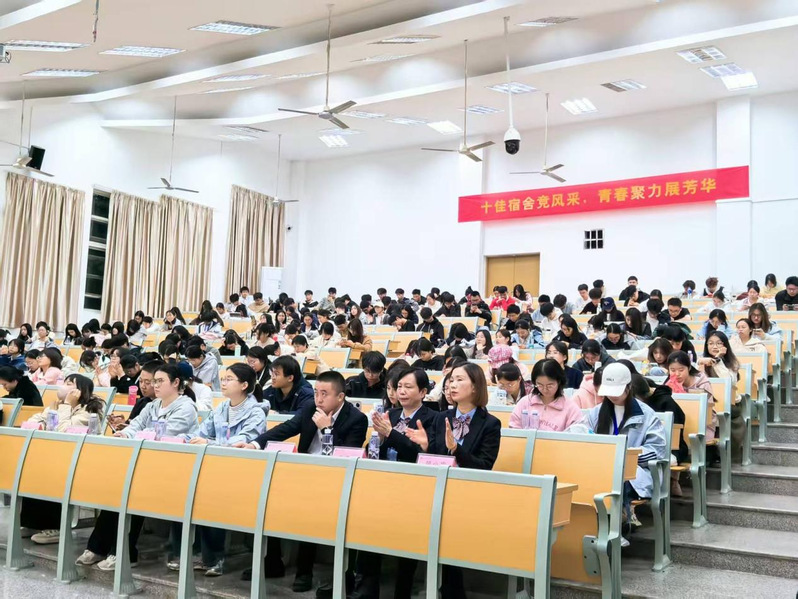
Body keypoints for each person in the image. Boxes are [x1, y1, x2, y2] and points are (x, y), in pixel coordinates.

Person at [237, 371, 368, 594]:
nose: (318, 399)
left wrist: (327, 429)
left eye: (325, 394)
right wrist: (255, 444)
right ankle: (272, 560)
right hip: (306, 473)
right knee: (269, 497)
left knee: (310, 510)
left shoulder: (356, 419)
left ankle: (304, 572)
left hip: (336, 480)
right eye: (316, 392)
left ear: (340, 397)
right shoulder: (309, 409)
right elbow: (286, 428)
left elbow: (347, 455)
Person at [405, 362, 500, 598]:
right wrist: (425, 446)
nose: (452, 385)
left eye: (459, 380)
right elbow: (434, 459)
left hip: (468, 495)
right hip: (436, 491)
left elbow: (484, 467)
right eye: (451, 380)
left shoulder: (490, 423)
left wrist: (457, 449)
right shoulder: (441, 418)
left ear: (475, 386)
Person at [168, 364, 268, 576]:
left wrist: (209, 443)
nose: (223, 383)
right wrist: (183, 439)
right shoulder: (222, 408)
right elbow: (201, 433)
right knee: (181, 491)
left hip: (242, 471)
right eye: (223, 378)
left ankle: (213, 557)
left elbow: (241, 442)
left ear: (244, 385)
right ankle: (185, 553)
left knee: (210, 495)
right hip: (214, 466)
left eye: (229, 379)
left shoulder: (256, 412)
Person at [352, 367, 437, 599]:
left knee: (407, 547)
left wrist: (390, 434)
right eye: (399, 386)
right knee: (368, 534)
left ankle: (403, 592)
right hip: (383, 485)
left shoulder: (433, 418)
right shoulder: (392, 414)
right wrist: (379, 439)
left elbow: (422, 455)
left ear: (423, 392)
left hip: (414, 489)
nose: (401, 391)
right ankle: (365, 592)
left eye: (408, 387)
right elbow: (372, 450)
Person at [585, 362, 667, 546]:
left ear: (629, 387)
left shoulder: (646, 415)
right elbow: (581, 431)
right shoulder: (596, 413)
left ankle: (614, 528)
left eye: (618, 391)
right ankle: (598, 528)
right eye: (609, 391)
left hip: (636, 472)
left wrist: (626, 456)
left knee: (616, 480)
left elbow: (657, 450)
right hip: (601, 468)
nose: (613, 396)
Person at [21, 374, 105, 545]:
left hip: (81, 461)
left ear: (80, 391)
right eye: (64, 382)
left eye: (69, 384)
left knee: (52, 474)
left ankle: (56, 528)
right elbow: (33, 421)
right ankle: (34, 523)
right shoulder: (58, 406)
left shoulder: (90, 411)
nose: (63, 386)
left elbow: (63, 431)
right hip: (57, 455)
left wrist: (65, 406)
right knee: (34, 470)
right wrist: (52, 413)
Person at [508, 359, 583, 431]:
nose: (545, 389)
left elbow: (575, 435)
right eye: (540, 385)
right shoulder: (525, 402)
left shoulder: (570, 408)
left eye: (550, 385)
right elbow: (514, 429)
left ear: (559, 381)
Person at [666, 351, 716, 441]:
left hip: (702, 424)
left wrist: (681, 392)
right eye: (672, 370)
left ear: (689, 368)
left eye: (681, 370)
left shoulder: (702, 383)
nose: (677, 374)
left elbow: (706, 411)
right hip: (677, 424)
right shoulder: (669, 384)